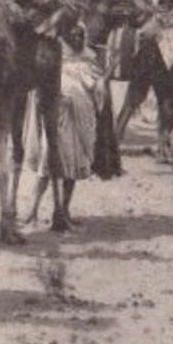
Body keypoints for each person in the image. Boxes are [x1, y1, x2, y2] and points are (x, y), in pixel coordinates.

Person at [24, 23, 104, 229]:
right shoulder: (53, 58)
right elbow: (37, 90)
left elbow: (98, 91)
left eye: (81, 35)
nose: (77, 39)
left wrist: (96, 91)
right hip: (57, 121)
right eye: (73, 35)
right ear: (66, 37)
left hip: (79, 123)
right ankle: (32, 211)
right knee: (46, 166)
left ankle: (63, 211)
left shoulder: (90, 59)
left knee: (72, 171)